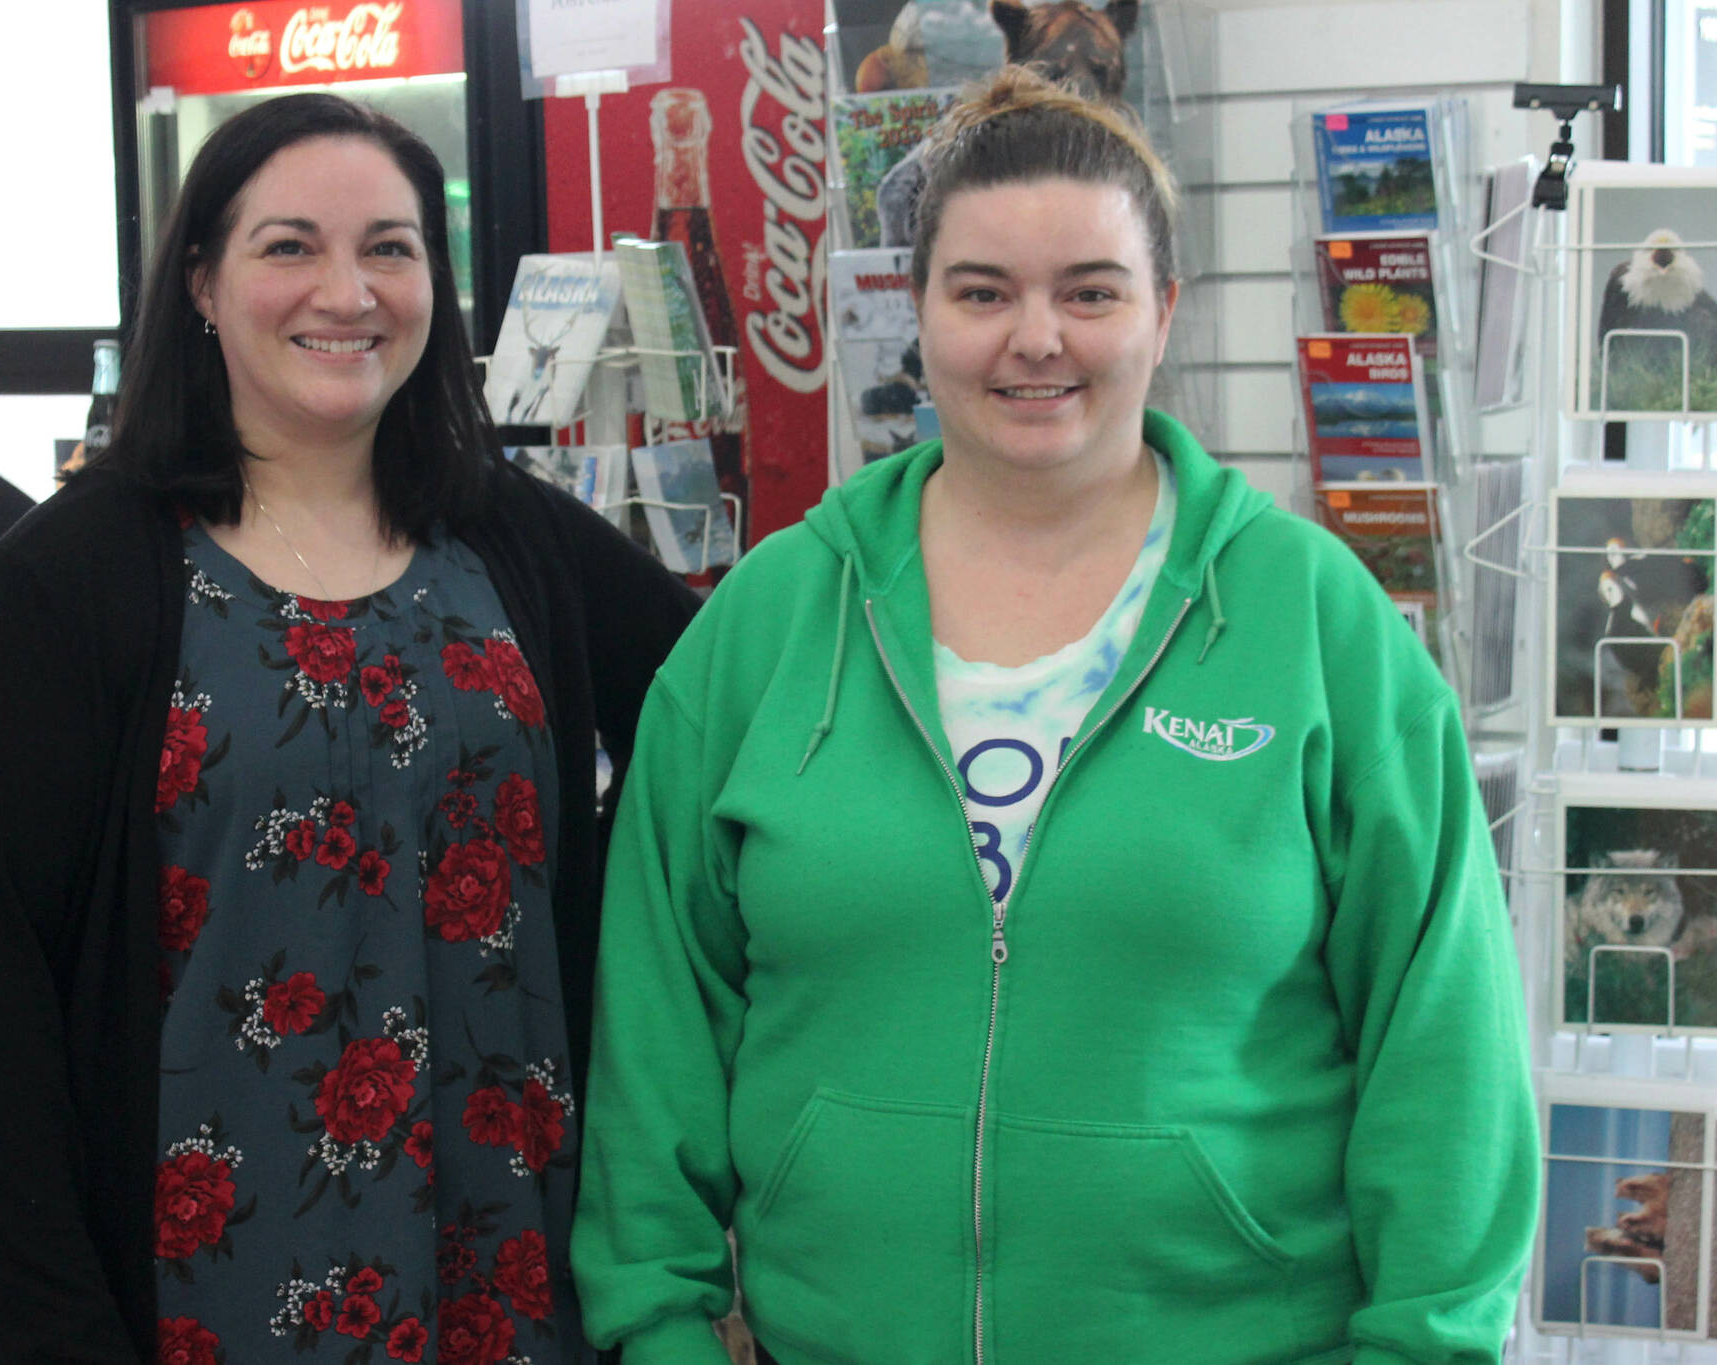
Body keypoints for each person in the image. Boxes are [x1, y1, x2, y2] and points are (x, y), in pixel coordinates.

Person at [571, 68, 1537, 1365]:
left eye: (1091, 290)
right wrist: (662, 1334)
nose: (1038, 338)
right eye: (983, 292)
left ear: (1164, 313)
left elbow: (1447, 1054)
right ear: (918, 310)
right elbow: (656, 1040)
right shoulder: (769, 623)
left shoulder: (1318, 627)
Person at [0, 93, 697, 1364]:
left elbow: (721, 719)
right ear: (203, 284)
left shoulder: (511, 542)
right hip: (189, 1294)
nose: (348, 290)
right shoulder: (68, 587)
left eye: (390, 247)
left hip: (516, 1267)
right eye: (290, 247)